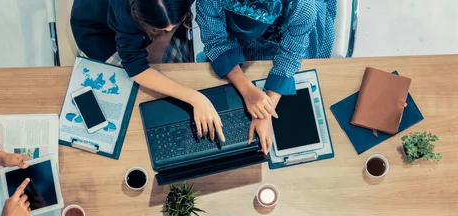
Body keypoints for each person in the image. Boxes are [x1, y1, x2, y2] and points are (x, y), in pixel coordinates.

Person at [71, 0, 225, 142]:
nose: (168, 29)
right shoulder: (121, 9)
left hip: (148, 18)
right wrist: (195, 97)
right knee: (126, 97)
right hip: (99, 32)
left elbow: (169, 24)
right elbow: (134, 65)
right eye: (162, 28)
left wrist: (163, 39)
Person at [195, 0, 337, 152]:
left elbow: (290, 56)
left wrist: (265, 112)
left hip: (287, 32)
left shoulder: (302, 6)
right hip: (232, 42)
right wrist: (247, 90)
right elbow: (216, 41)